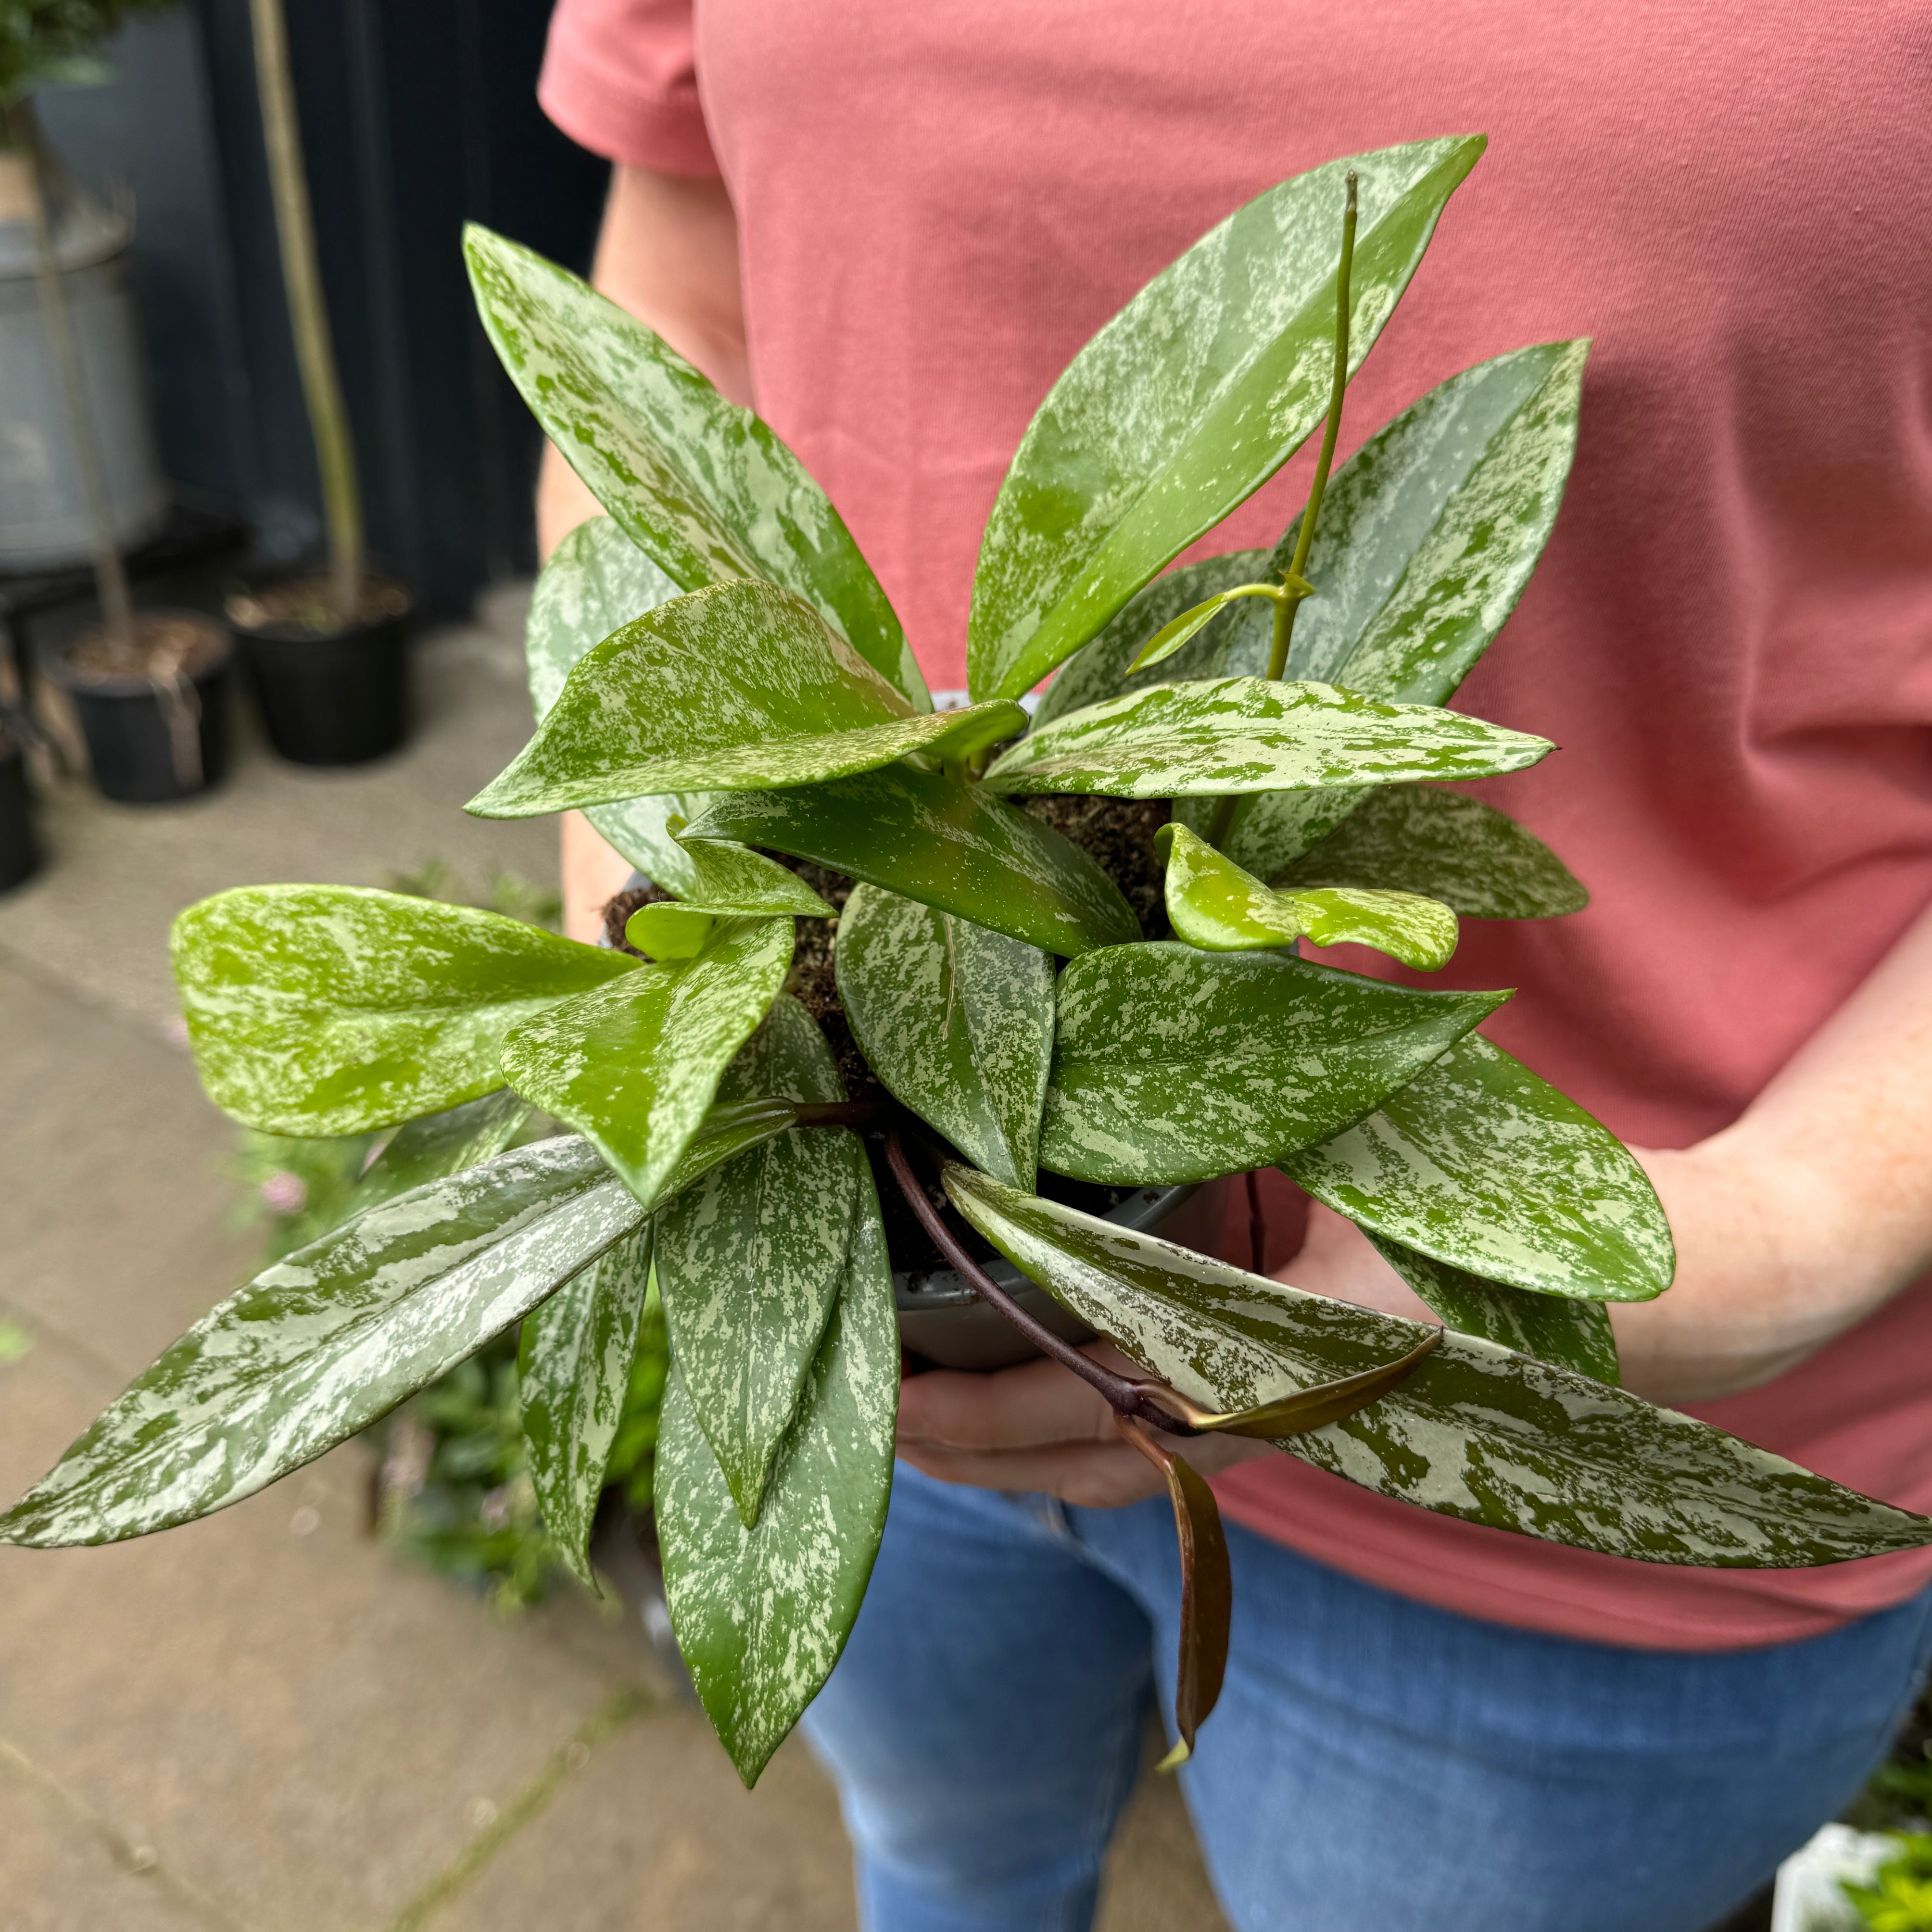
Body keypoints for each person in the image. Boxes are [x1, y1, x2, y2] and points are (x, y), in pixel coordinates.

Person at [531, 4, 1932, 1927]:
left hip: (1581, 1438)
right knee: (947, 1867)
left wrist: (1779, 1234)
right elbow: (682, 296)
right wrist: (660, 945)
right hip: (878, 1270)